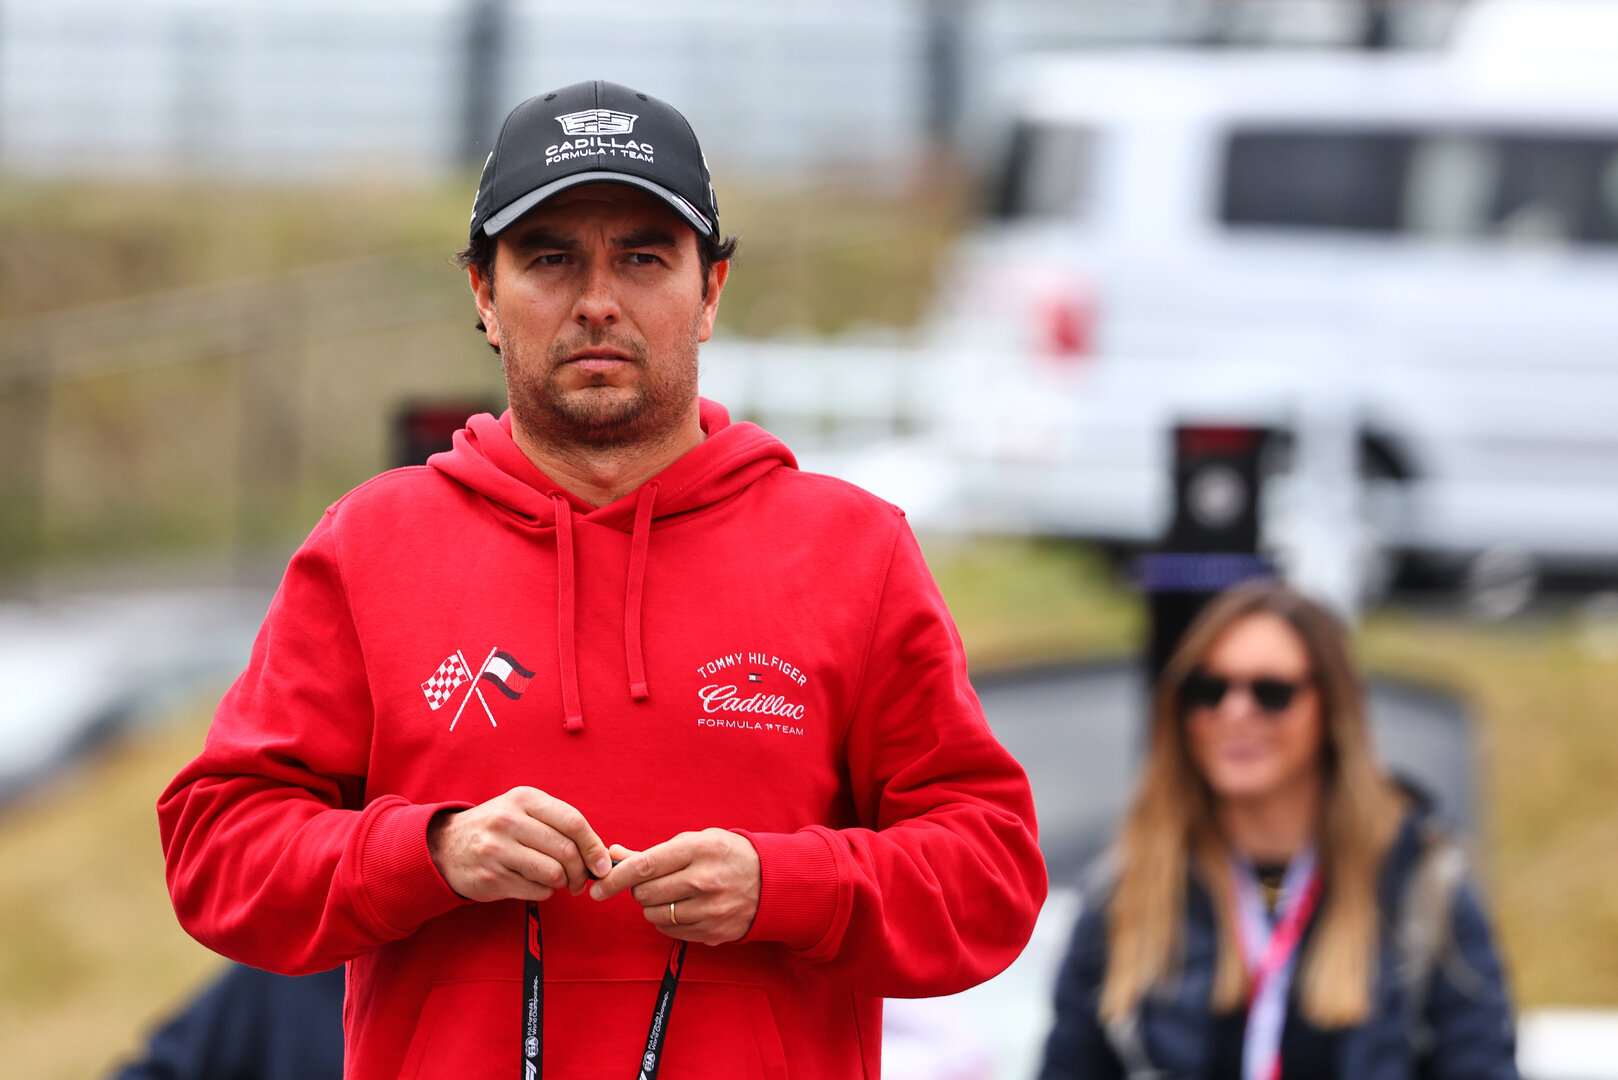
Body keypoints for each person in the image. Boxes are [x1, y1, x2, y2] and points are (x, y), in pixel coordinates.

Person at [158, 79, 1046, 1080]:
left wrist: (788, 885)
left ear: (710, 291)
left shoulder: (852, 551)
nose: (596, 301)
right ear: (483, 295)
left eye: (642, 257)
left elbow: (991, 873)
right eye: (549, 258)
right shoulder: (371, 545)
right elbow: (216, 853)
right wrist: (431, 851)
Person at [1039, 582, 1518, 1080]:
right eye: (1208, 690)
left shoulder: (1419, 885)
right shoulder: (1129, 886)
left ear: (1331, 708)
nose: (1235, 713)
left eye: (1271, 693)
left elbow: (1482, 1063)